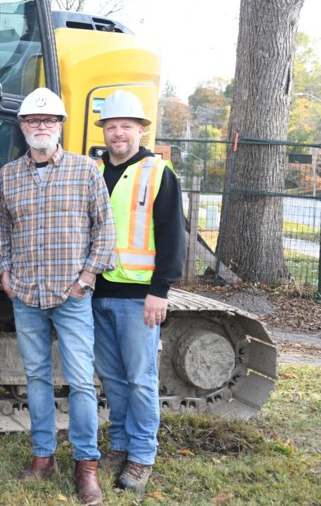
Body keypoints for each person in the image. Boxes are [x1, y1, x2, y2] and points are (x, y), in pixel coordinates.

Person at [0, 87, 116, 505]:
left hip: (72, 295)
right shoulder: (9, 174)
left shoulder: (86, 171)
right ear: (23, 127)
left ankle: (87, 466)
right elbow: (4, 229)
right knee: (36, 379)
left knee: (81, 382)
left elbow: (105, 230)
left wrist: (86, 278)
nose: (41, 126)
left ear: (61, 126)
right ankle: (43, 456)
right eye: (32, 120)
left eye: (48, 120)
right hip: (26, 294)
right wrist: (6, 272)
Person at [92, 90, 186, 494]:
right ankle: (120, 444)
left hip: (138, 298)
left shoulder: (158, 173)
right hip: (96, 292)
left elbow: (172, 236)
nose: (118, 134)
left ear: (141, 130)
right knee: (112, 378)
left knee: (140, 379)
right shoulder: (92, 170)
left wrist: (159, 290)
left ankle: (142, 455)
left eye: (125, 126)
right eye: (111, 127)